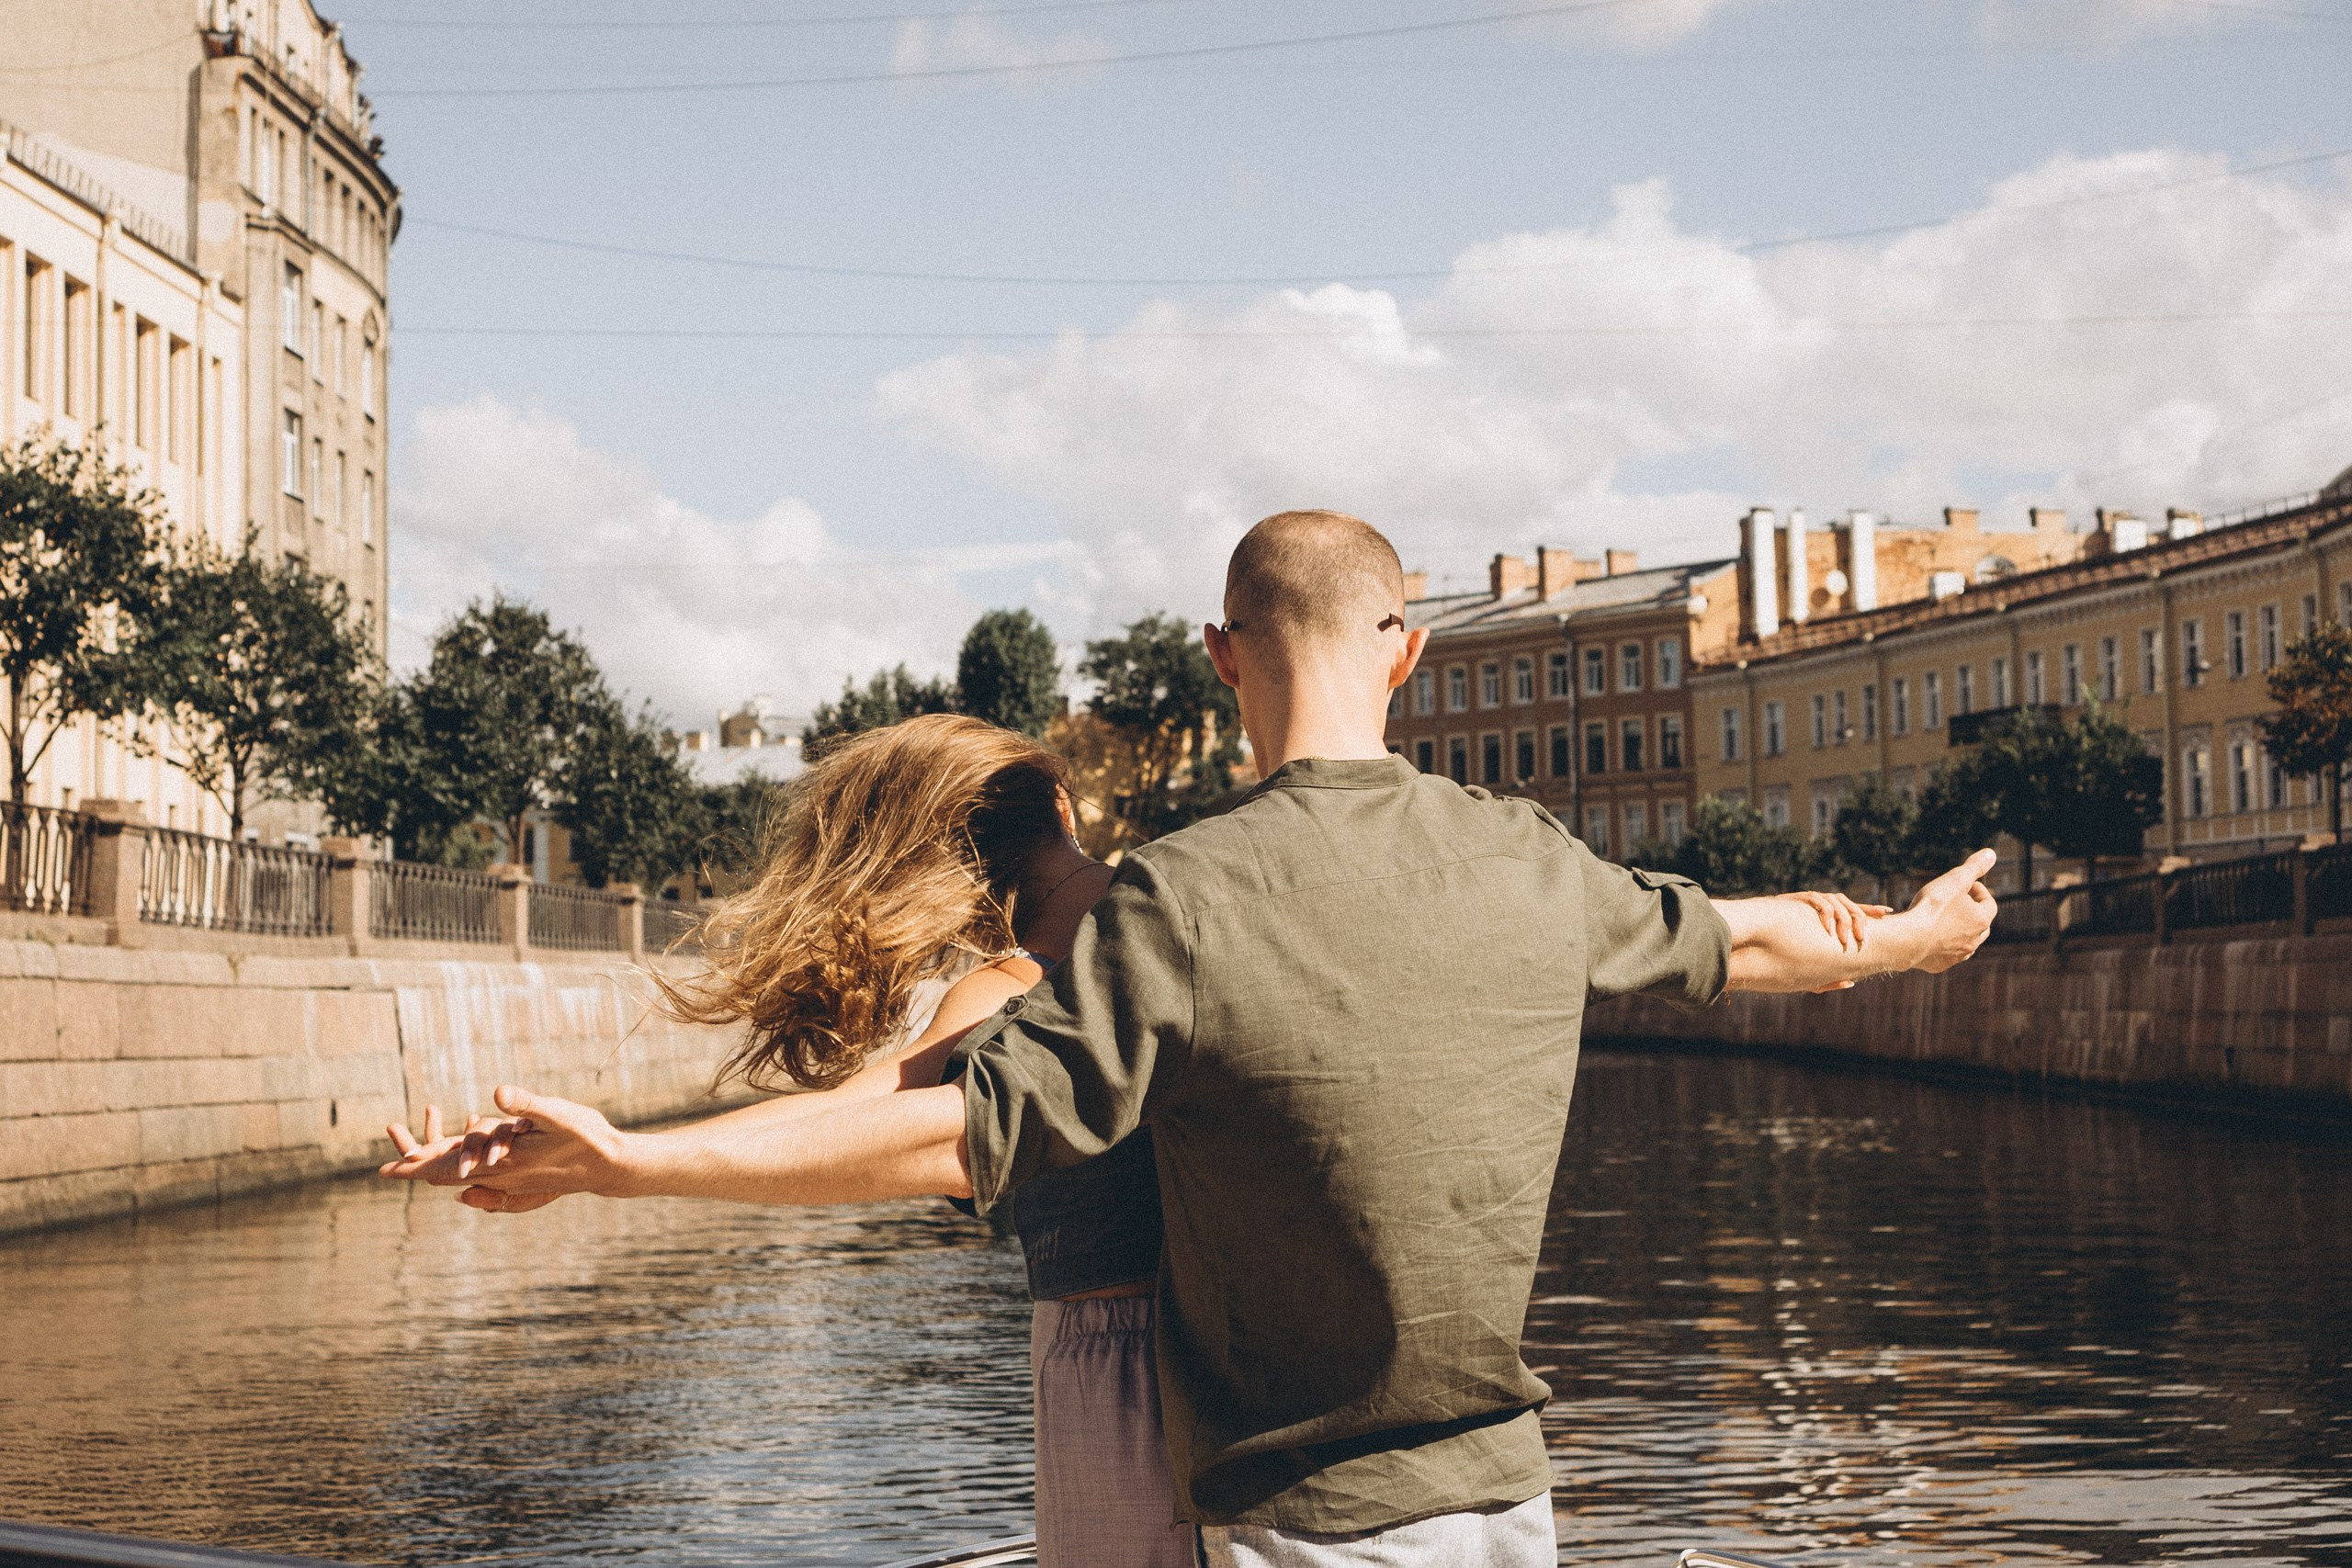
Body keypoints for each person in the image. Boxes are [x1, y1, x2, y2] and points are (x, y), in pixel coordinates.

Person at [392, 510, 1996, 1566]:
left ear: (1223, 657)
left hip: (1287, 1503)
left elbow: (951, 1121)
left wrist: (632, 1164)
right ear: (1408, 648)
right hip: (1503, 1498)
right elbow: (1759, 935)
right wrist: (1915, 936)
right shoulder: (1526, 856)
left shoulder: (1190, 896)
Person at [384, 714, 1193, 1568]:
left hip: (1117, 1366)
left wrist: (620, 1161)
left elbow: (853, 1121)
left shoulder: (1009, 990)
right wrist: (613, 1156)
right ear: (1061, 805)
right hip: (1251, 1353)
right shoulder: (1185, 914)